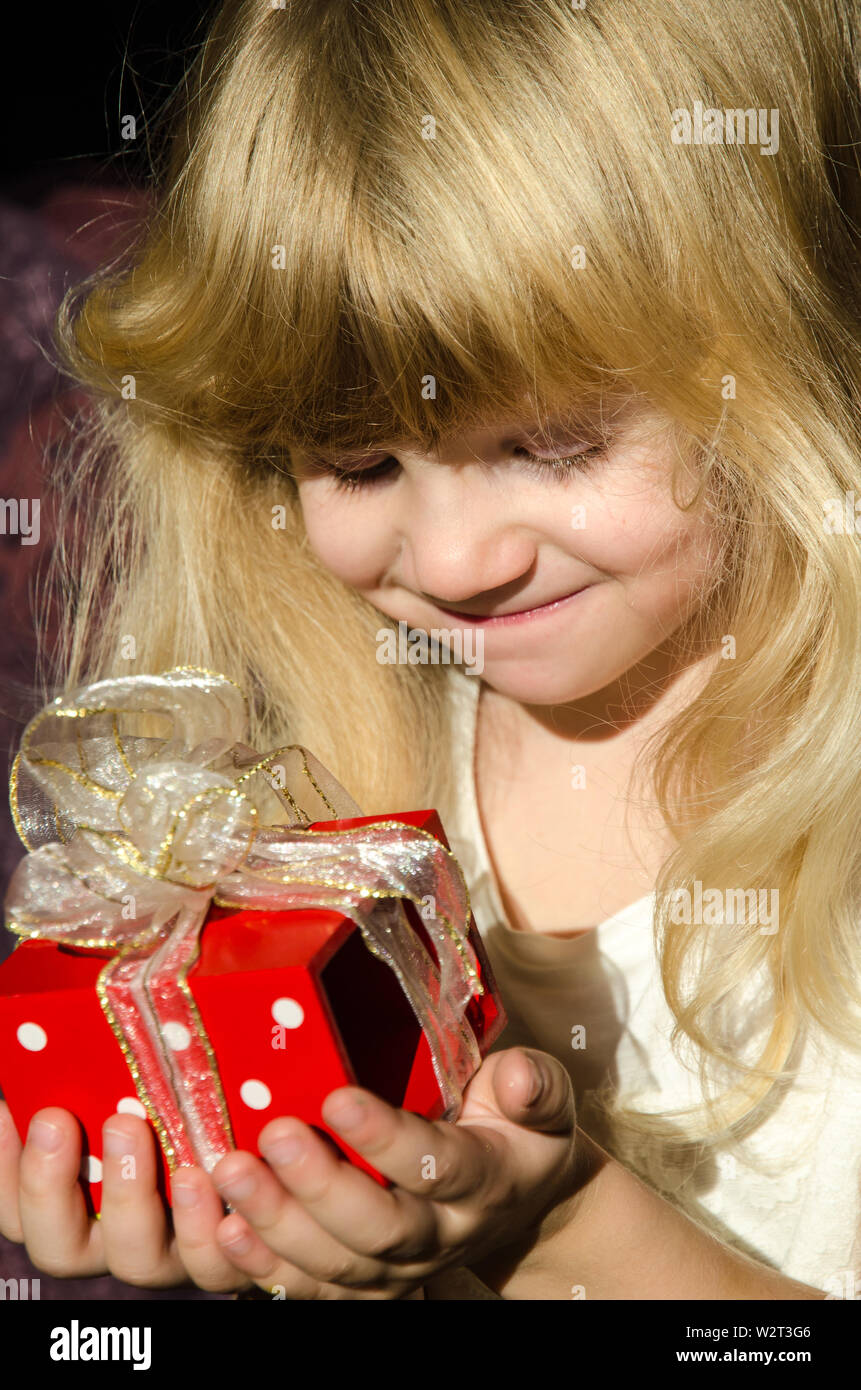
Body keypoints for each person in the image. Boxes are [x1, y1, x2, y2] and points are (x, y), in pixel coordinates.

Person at [1, 0, 859, 1299]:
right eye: (356, 459)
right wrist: (253, 1214)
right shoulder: (313, 766)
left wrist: (555, 1229)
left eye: (551, 442)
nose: (454, 561)